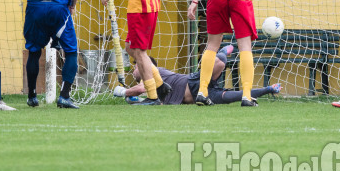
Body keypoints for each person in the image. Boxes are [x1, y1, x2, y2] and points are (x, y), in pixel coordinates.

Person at [114, 47, 282, 105]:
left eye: (136, 64)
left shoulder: (151, 74)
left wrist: (122, 92)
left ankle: (222, 51)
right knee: (233, 97)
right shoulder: (151, 86)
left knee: (220, 62)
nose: (134, 68)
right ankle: (268, 89)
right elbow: (143, 92)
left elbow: (142, 87)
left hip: (192, 83)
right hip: (199, 96)